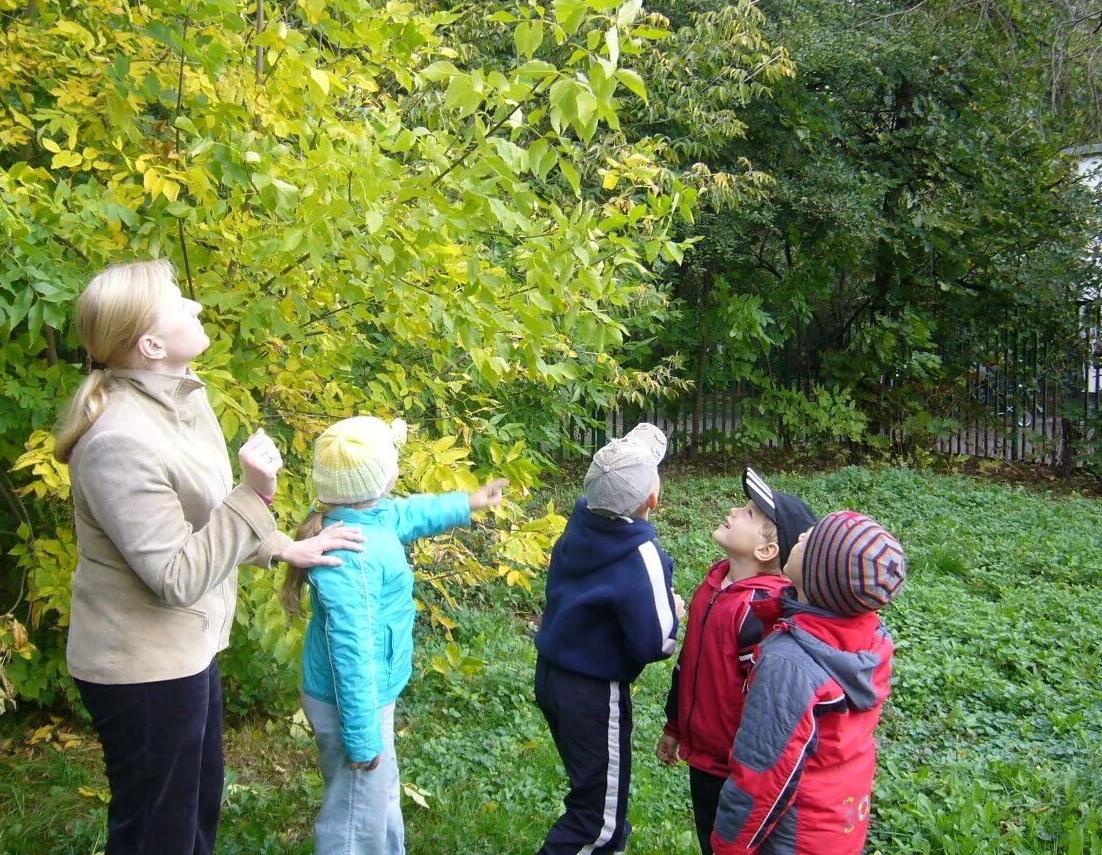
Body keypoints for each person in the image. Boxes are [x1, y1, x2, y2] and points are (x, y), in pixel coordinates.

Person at [55, 259, 363, 855]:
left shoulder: (181, 401)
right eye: (178, 302)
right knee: (158, 833)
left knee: (195, 812)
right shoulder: (119, 440)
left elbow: (202, 520)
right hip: (142, 668)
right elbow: (175, 574)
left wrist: (283, 545)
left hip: (188, 650)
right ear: (150, 344)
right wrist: (253, 494)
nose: (196, 307)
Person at [280, 415, 508, 855]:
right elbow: (353, 653)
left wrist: (470, 501)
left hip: (368, 698)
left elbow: (411, 512)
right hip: (352, 702)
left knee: (377, 802)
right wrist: (363, 738)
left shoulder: (366, 520)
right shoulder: (353, 555)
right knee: (352, 824)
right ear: (380, 479)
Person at [711, 511, 907, 855]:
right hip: (839, 822)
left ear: (820, 577)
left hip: (793, 836)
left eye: (810, 539)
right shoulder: (870, 638)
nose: (799, 536)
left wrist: (728, 845)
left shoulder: (789, 664)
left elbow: (762, 772)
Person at [534, 423, 684, 855]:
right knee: (597, 820)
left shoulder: (579, 521)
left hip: (552, 676)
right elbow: (653, 642)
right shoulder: (644, 554)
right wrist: (671, 614)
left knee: (595, 794)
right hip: (595, 694)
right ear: (652, 499)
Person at [657, 466, 818, 855]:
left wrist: (748, 767)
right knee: (708, 839)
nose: (734, 510)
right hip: (703, 758)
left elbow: (768, 702)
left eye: (748, 513)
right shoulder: (714, 586)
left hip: (737, 769)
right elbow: (688, 663)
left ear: (766, 551)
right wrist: (675, 725)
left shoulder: (762, 612)